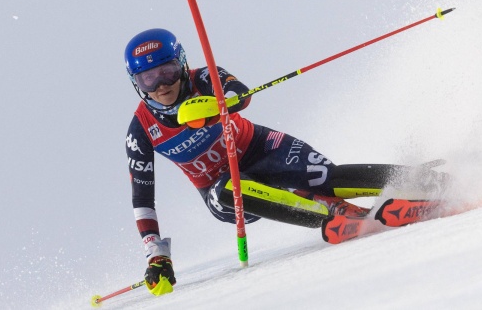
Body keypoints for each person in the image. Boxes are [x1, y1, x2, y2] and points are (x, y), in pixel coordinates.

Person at [124, 28, 447, 295]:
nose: (162, 85)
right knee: (227, 190)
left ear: (180, 64)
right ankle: (326, 214)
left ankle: (429, 181)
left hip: (260, 148)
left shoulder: (203, 77)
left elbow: (241, 92)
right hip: (220, 189)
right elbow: (143, 200)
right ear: (136, 83)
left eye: (166, 71)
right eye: (148, 79)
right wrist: (157, 256)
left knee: (326, 176)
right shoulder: (141, 130)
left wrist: (216, 106)